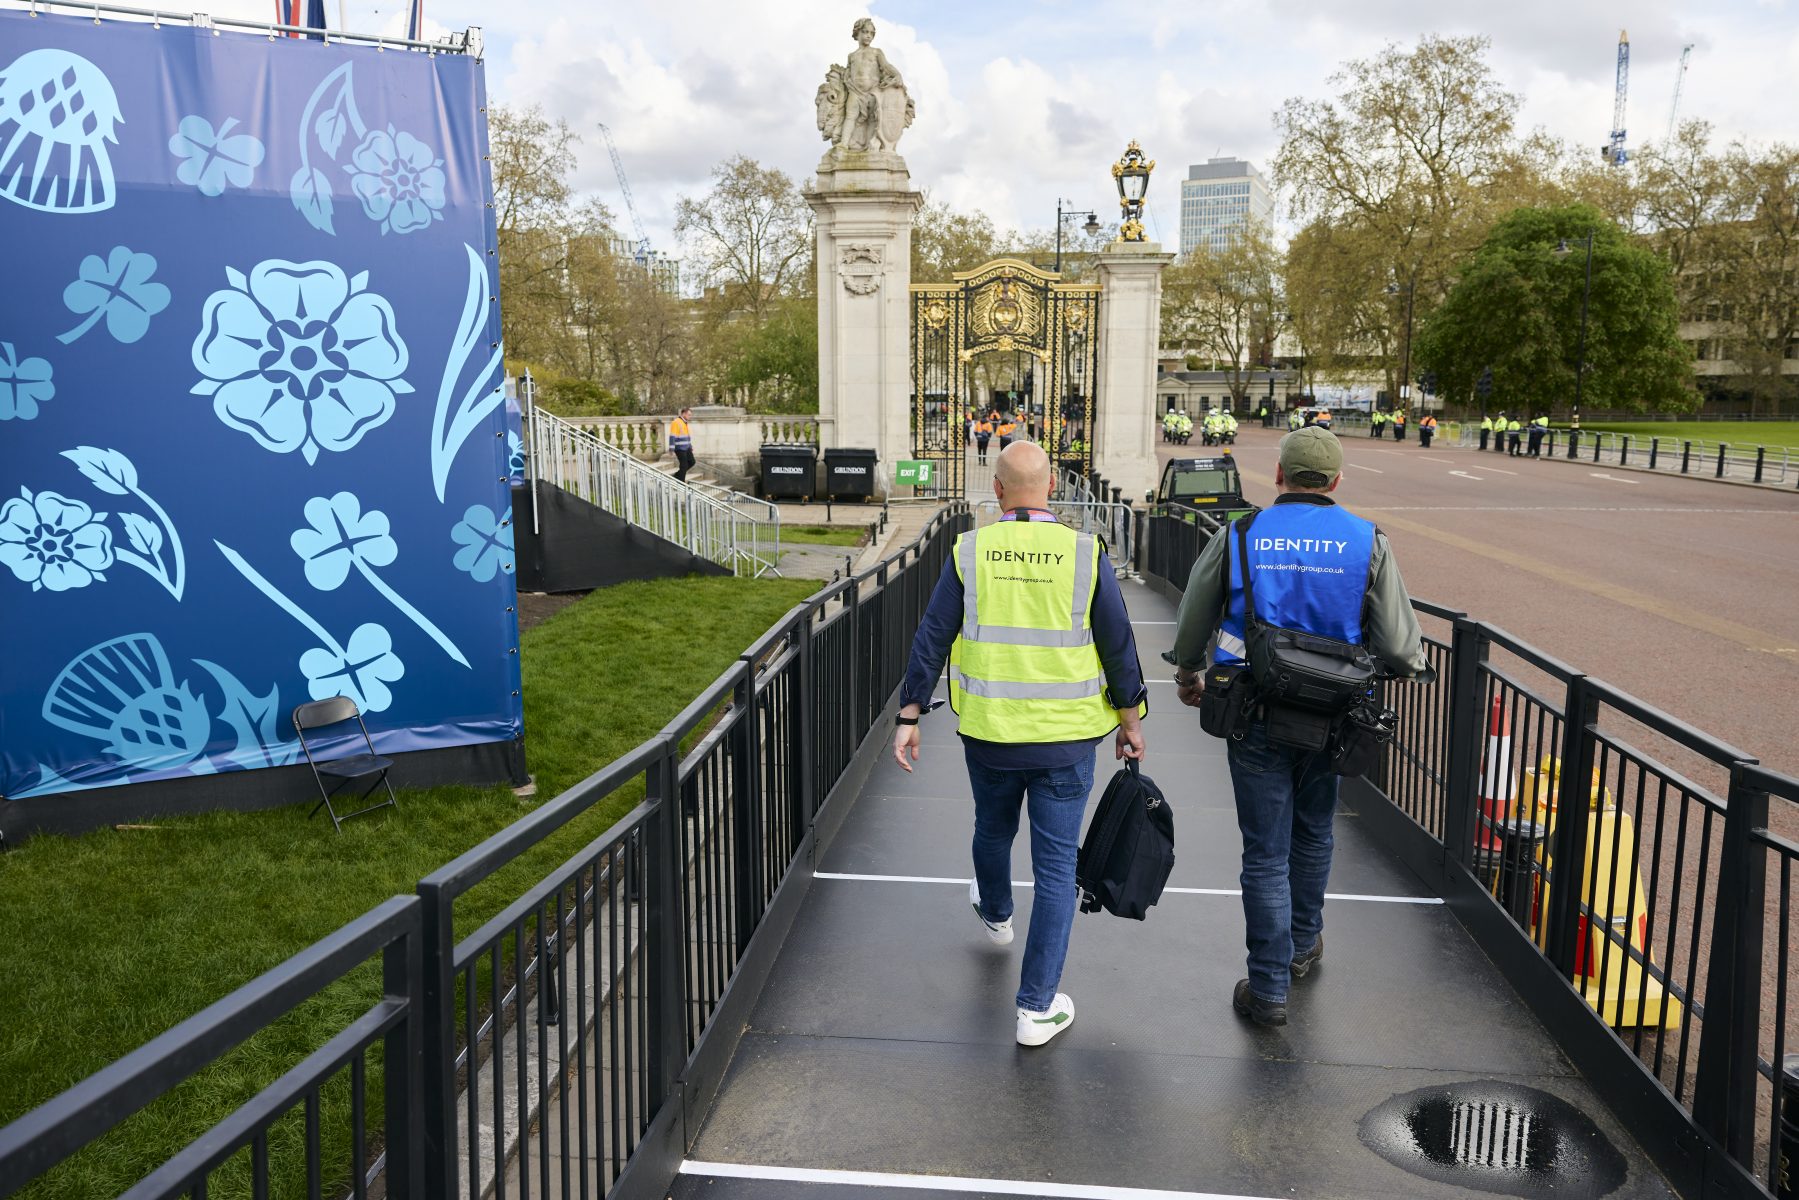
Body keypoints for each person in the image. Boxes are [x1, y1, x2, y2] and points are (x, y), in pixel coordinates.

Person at [1169, 427, 1432, 1026]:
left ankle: (1267, 988)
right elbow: (1397, 643)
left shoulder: (1240, 534)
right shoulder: (1369, 542)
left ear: (1280, 476)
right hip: (1333, 716)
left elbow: (1194, 616)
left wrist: (1189, 673)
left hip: (1253, 710)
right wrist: (1413, 668)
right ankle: (1304, 946)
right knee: (1314, 833)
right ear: (1336, 482)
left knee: (1264, 853)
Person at [894, 441, 1148, 1047]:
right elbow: (1119, 646)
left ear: (999, 491)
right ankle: (1036, 1008)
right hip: (1066, 742)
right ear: (1053, 483)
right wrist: (1131, 720)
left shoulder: (972, 550)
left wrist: (910, 714)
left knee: (992, 828)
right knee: (1058, 869)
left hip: (991, 734)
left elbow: (933, 637)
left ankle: (998, 915)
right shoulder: (1086, 553)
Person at [668, 406, 696, 482]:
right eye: (689, 415)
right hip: (679, 448)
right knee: (684, 465)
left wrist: (690, 446)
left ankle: (677, 476)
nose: (690, 417)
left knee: (692, 462)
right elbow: (672, 436)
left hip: (686, 448)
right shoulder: (676, 422)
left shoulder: (685, 423)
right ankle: (681, 482)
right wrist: (671, 449)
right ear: (683, 414)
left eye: (690, 415)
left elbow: (687, 436)